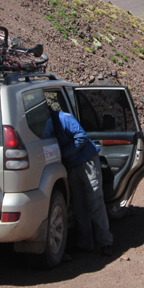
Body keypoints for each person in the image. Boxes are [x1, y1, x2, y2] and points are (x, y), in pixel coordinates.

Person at [44, 108, 114, 257]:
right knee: (78, 204)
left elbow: (81, 136)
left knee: (95, 200)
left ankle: (105, 242)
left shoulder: (64, 118)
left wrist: (65, 153)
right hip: (72, 165)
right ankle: (85, 243)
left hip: (87, 161)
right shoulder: (46, 123)